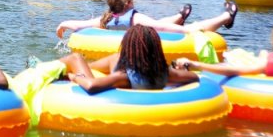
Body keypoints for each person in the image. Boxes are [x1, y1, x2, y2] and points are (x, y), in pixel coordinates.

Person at [59, 25, 199, 93]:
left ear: (129, 48)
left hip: (113, 81)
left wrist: (74, 77)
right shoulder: (166, 74)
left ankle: (50, 68)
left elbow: (91, 85)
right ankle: (88, 66)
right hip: (131, 69)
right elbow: (194, 77)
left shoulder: (124, 77)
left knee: (76, 58)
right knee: (115, 58)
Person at [56, 0, 237, 38]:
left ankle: (179, 16)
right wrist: (187, 30)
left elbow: (79, 25)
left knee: (157, 24)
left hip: (123, 42)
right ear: (129, 3)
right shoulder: (136, 18)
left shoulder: (105, 19)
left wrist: (62, 25)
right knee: (174, 27)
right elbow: (161, 28)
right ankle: (227, 16)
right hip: (146, 31)